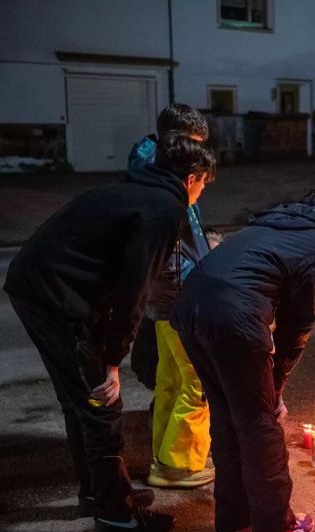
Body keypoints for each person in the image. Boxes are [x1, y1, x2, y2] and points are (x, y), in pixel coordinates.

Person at [4, 133, 217, 532]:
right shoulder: (165, 209)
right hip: (52, 297)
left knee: (81, 398)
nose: (202, 192)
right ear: (192, 177)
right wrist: (113, 360)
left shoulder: (134, 190)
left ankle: (99, 493)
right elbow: (134, 290)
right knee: (101, 400)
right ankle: (116, 517)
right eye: (205, 183)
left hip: (44, 286)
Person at [171, 188, 315, 532]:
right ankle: (274, 526)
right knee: (258, 423)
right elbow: (297, 324)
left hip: (189, 310)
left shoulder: (270, 225)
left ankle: (233, 521)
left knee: (225, 416)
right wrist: (275, 388)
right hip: (233, 317)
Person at [128, 105, 210, 397]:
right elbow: (169, 247)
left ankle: (165, 435)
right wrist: (197, 282)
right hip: (177, 293)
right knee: (194, 386)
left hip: (177, 287)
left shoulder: (168, 170)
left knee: (171, 380)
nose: (199, 155)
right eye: (194, 145)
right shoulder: (161, 176)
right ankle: (180, 441)